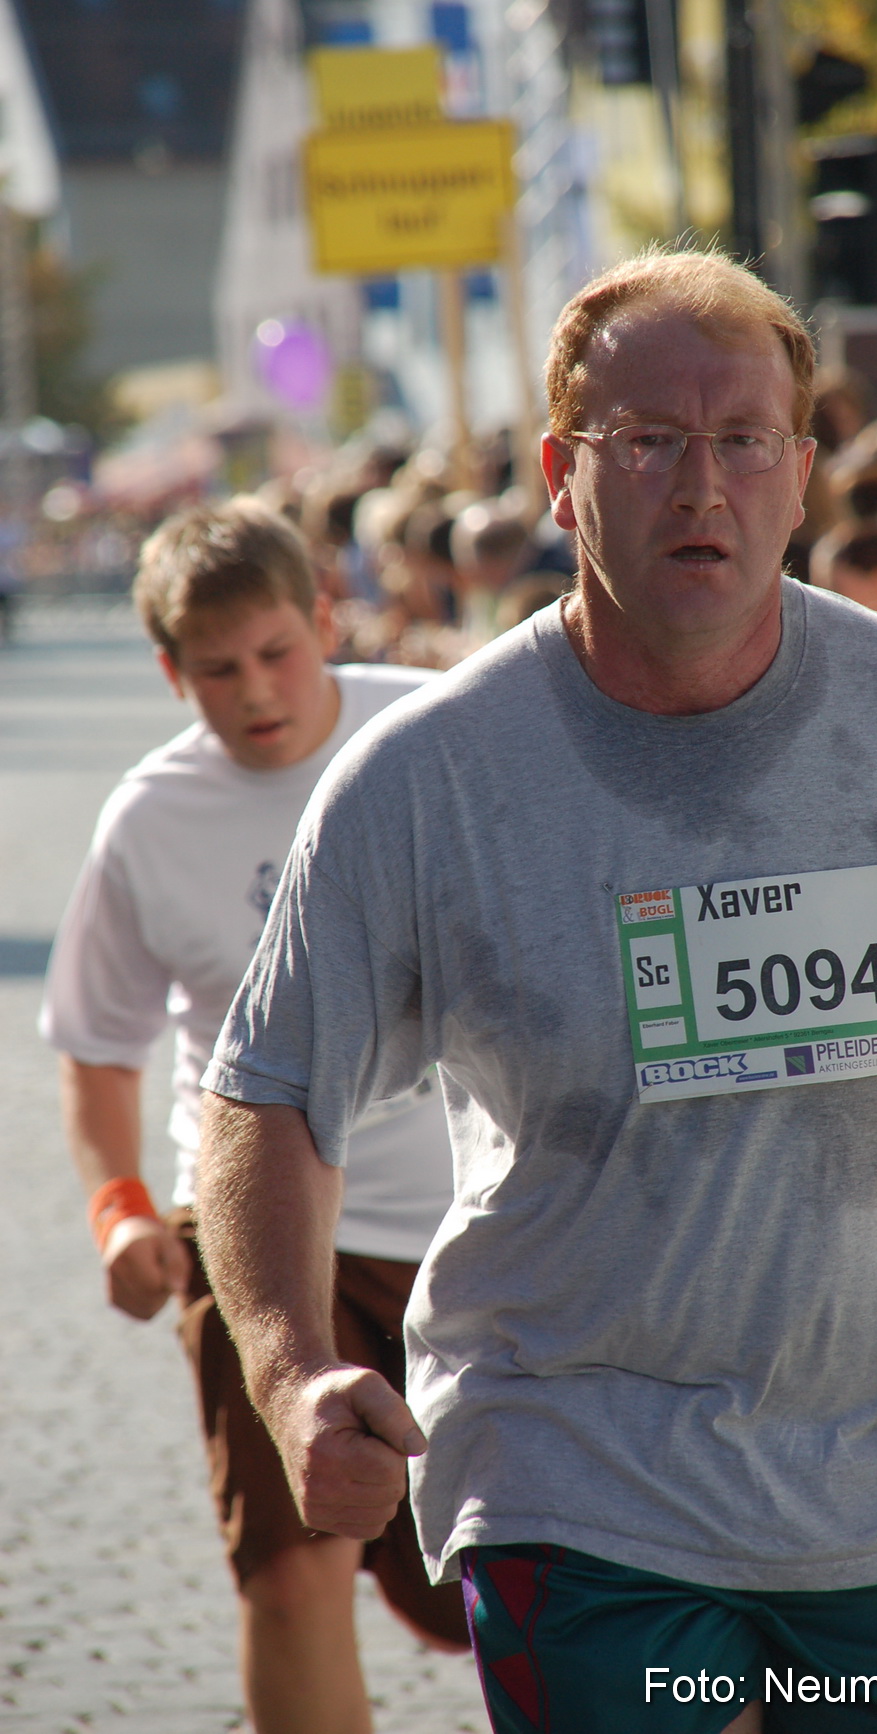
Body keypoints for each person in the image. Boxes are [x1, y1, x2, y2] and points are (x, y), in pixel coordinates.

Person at [198, 252, 877, 1734]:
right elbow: (267, 1088)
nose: (700, 485)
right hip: (579, 1471)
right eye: (645, 440)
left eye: (743, 440)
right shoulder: (426, 779)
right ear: (560, 478)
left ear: (803, 472)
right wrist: (290, 1366)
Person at [40, 499, 468, 1734]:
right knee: (289, 1580)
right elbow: (97, 1049)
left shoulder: (435, 735)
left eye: (278, 652)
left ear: (326, 620)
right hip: (264, 1234)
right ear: (173, 673)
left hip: (477, 1223)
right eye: (217, 670)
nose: (257, 691)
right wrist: (120, 1212)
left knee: (531, 1578)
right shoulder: (149, 820)